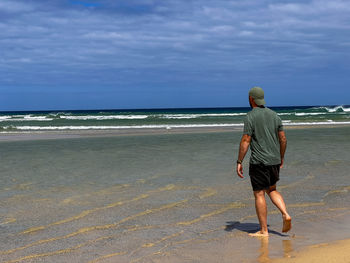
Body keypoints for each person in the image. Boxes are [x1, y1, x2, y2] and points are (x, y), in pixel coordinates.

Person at [236, 86, 291, 237]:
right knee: (272, 189)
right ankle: (285, 213)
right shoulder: (275, 116)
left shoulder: (250, 116)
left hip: (259, 162)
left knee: (259, 194)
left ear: (251, 99)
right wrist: (281, 157)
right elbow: (283, 139)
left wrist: (239, 161)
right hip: (274, 160)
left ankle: (263, 231)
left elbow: (246, 140)